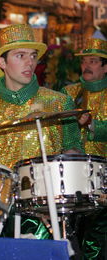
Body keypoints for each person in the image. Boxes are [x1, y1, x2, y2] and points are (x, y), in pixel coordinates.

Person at [0, 24, 83, 237]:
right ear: (2, 62)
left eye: (33, 55)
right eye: (20, 55)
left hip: (46, 214)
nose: (30, 62)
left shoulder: (60, 103)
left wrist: (73, 157)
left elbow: (74, 147)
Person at [61, 38, 107, 259]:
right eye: (84, 61)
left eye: (93, 61)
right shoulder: (68, 93)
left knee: (96, 233)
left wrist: (91, 125)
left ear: (105, 67)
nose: (86, 66)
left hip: (103, 177)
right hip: (70, 176)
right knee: (71, 232)